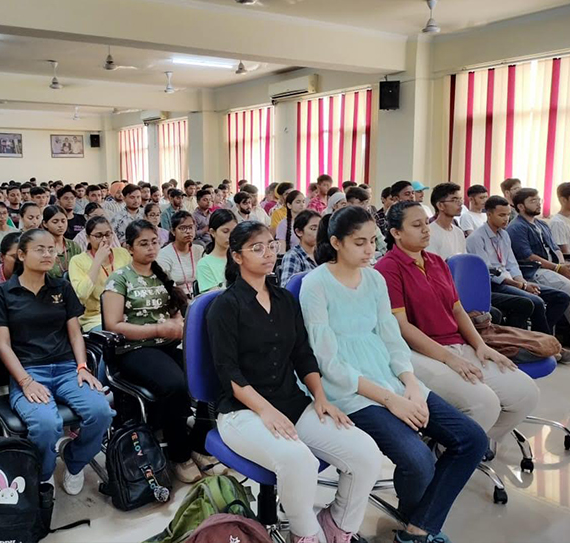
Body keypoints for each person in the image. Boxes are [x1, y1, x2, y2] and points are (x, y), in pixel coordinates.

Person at [301, 206, 487, 543]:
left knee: (472, 439)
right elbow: (327, 362)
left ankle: (418, 526)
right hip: (350, 390)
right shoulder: (315, 285)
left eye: (373, 241)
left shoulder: (373, 278)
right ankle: (418, 528)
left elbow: (391, 337)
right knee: (418, 460)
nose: (370, 250)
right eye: (360, 243)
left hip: (389, 378)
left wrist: (411, 384)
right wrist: (390, 400)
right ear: (336, 242)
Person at [207, 221, 382, 543]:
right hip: (242, 411)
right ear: (236, 257)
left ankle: (338, 525)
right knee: (297, 459)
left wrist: (320, 397)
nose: (268, 253)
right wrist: (266, 411)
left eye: (271, 245)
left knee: (366, 454)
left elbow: (303, 354)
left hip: (292, 402)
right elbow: (228, 372)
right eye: (256, 248)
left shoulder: (285, 299)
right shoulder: (225, 306)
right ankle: (305, 534)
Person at [377, 201, 544, 454]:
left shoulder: (436, 262)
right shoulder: (387, 268)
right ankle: (453, 455)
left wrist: (480, 346)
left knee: (526, 393)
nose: (426, 230)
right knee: (484, 403)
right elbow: (401, 325)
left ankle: (467, 447)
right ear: (396, 233)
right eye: (416, 225)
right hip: (419, 353)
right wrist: (449, 359)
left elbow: (457, 309)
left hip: (458, 345)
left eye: (426, 223)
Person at [0, 228, 116, 495]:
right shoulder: (3, 293)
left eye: (51, 249)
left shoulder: (62, 287)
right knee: (46, 425)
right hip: (28, 371)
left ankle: (75, 460)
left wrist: (82, 366)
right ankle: (43, 473)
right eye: (40, 249)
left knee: (101, 411)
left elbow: (75, 333)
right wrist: (25, 381)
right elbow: (3, 345)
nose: (48, 254)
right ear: (21, 255)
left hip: (67, 369)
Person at [102, 220, 219, 484]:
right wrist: (158, 329)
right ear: (129, 247)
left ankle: (199, 445)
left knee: (210, 374)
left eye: (154, 242)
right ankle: (179, 455)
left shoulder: (161, 275)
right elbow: (113, 325)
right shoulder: (119, 279)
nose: (151, 248)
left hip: (166, 344)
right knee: (176, 384)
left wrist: (177, 324)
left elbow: (177, 313)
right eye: (143, 243)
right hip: (134, 350)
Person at [505, 189, 570, 353]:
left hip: (556, 267)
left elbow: (555, 248)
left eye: (539, 199)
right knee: (568, 288)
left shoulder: (541, 224)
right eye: (533, 201)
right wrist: (557, 268)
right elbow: (529, 257)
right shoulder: (516, 227)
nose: (539, 203)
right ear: (520, 206)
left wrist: (562, 265)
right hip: (535, 271)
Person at [463, 196, 569, 346]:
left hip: (512, 281)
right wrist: (519, 286)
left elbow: (512, 264)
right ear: (489, 214)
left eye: (508, 214)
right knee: (535, 302)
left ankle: (538, 338)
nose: (506, 219)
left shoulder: (504, 235)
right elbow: (487, 271)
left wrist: (523, 282)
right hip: (494, 284)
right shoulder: (476, 238)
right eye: (501, 215)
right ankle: (542, 344)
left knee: (561, 297)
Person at [69, 216, 133, 332]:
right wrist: (97, 260)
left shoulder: (122, 254)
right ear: (88, 238)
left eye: (108, 234)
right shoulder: (77, 261)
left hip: (127, 312)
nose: (105, 240)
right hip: (96, 318)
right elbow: (81, 296)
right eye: (98, 236)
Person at [194, 209, 239, 292]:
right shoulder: (205, 264)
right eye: (225, 231)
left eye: (233, 232)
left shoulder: (240, 257)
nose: (230, 236)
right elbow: (213, 298)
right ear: (212, 232)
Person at [157, 216, 204, 293]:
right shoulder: (164, 254)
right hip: (176, 297)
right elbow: (164, 284)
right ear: (173, 231)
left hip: (200, 295)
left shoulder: (199, 250)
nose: (188, 231)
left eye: (190, 227)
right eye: (182, 228)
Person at [275, 210, 322, 281]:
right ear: (299, 232)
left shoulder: (323, 254)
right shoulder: (293, 256)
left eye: (320, 228)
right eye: (313, 229)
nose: (319, 232)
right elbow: (288, 288)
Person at [424, 184, 468, 258]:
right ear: (440, 206)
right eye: (454, 200)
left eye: (460, 199)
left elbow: (463, 260)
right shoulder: (429, 233)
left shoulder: (459, 232)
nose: (460, 203)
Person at [40, 205, 82, 280]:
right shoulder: (41, 247)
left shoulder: (73, 246)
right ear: (45, 224)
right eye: (55, 222)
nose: (60, 225)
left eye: (63, 221)